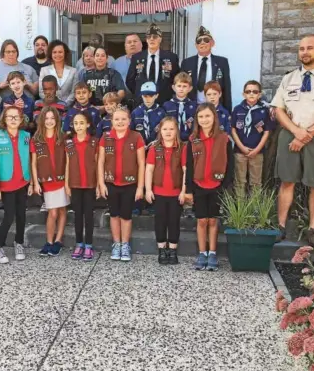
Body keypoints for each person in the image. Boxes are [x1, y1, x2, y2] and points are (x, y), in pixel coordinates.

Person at [271, 34, 314, 245]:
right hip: (290, 135)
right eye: (301, 49)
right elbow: (278, 109)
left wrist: (306, 134)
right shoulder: (289, 78)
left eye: (309, 48)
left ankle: (312, 229)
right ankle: (280, 226)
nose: (305, 52)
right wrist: (295, 131)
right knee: (286, 181)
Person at [184, 103, 233, 271]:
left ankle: (212, 253)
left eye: (208, 116)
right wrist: (188, 189)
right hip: (198, 186)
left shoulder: (224, 138)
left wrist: (225, 185)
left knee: (213, 220)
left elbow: (230, 164)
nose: (205, 120)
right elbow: (189, 166)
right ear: (197, 119)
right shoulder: (193, 140)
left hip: (217, 185)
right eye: (201, 117)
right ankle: (202, 253)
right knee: (201, 220)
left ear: (214, 117)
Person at [98, 106, 145, 262]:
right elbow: (101, 162)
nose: (120, 122)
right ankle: (116, 243)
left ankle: (125, 244)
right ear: (111, 121)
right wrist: (101, 184)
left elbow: (141, 163)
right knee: (114, 214)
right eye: (117, 119)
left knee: (126, 215)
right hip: (111, 182)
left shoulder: (136, 137)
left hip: (130, 183)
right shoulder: (105, 137)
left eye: (123, 119)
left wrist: (140, 187)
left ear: (129, 121)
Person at [0, 106, 33, 264]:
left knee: (22, 215)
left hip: (22, 181)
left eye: (16, 117)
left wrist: (32, 182)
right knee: (9, 216)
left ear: (22, 119)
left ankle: (19, 243)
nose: (13, 119)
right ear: (4, 119)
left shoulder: (26, 136)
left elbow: (30, 160)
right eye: (10, 117)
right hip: (6, 183)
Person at [145, 117, 187, 265]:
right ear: (160, 131)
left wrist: (184, 191)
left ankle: (173, 250)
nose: (168, 132)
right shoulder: (154, 148)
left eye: (171, 129)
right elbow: (149, 170)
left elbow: (185, 170)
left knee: (174, 221)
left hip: (176, 193)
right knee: (160, 221)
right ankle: (162, 249)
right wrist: (148, 189)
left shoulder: (182, 148)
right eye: (165, 129)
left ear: (176, 130)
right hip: (159, 192)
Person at [31, 106, 69, 257]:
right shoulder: (37, 139)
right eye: (46, 118)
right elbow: (33, 163)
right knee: (52, 212)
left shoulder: (63, 137)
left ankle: (58, 240)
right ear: (42, 120)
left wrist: (68, 182)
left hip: (62, 179)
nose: (49, 121)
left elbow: (68, 160)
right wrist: (35, 182)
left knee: (62, 209)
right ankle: (49, 241)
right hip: (46, 180)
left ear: (57, 120)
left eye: (52, 118)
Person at [64, 112, 99, 261]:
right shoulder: (69, 143)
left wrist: (98, 185)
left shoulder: (94, 142)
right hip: (75, 184)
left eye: (81, 123)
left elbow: (97, 164)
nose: (78, 126)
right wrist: (66, 184)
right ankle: (79, 244)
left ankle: (89, 245)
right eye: (76, 123)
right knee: (78, 215)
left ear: (88, 124)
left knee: (89, 216)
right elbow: (67, 164)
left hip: (90, 184)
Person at [231, 80, 272, 197]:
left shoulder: (264, 110)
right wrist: (242, 147)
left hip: (257, 152)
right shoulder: (237, 109)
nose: (251, 94)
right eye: (248, 91)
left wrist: (257, 150)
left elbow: (266, 132)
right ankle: (240, 209)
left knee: (255, 182)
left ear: (259, 94)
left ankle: (255, 208)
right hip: (240, 151)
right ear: (244, 94)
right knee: (240, 181)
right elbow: (233, 130)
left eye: (255, 91)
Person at [126, 23, 180, 106]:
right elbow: (130, 81)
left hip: (164, 102)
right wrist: (140, 91)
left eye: (155, 37)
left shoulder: (171, 57)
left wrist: (167, 93)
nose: (151, 39)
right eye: (149, 37)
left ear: (160, 39)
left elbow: (176, 80)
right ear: (146, 40)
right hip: (142, 101)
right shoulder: (137, 58)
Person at [181, 26, 232, 112]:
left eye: (206, 40)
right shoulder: (187, 63)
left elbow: (226, 87)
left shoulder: (222, 62)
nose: (202, 43)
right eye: (199, 41)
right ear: (196, 45)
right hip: (192, 108)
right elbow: (182, 86)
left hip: (215, 108)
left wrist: (228, 111)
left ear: (212, 43)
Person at [83, 47, 126, 111]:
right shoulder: (87, 75)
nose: (100, 58)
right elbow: (82, 92)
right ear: (94, 58)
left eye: (102, 56)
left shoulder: (114, 74)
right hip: (91, 109)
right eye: (97, 55)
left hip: (110, 110)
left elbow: (121, 92)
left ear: (107, 58)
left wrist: (107, 106)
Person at [39, 40, 78, 106]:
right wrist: (52, 104)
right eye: (54, 52)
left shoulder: (73, 71)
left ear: (65, 53)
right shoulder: (44, 70)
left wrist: (64, 105)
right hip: (49, 107)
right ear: (51, 54)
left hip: (67, 108)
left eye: (60, 52)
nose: (57, 54)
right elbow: (41, 91)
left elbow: (74, 92)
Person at [163, 72, 198, 143]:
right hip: (172, 141)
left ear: (190, 88)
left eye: (184, 86)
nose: (181, 89)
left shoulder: (194, 105)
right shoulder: (167, 105)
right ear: (173, 87)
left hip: (190, 141)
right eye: (179, 86)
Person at [131, 81, 165, 146]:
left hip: (157, 146)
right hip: (139, 146)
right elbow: (131, 131)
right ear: (141, 96)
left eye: (151, 96)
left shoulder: (162, 113)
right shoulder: (135, 112)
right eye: (145, 96)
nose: (147, 99)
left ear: (156, 96)